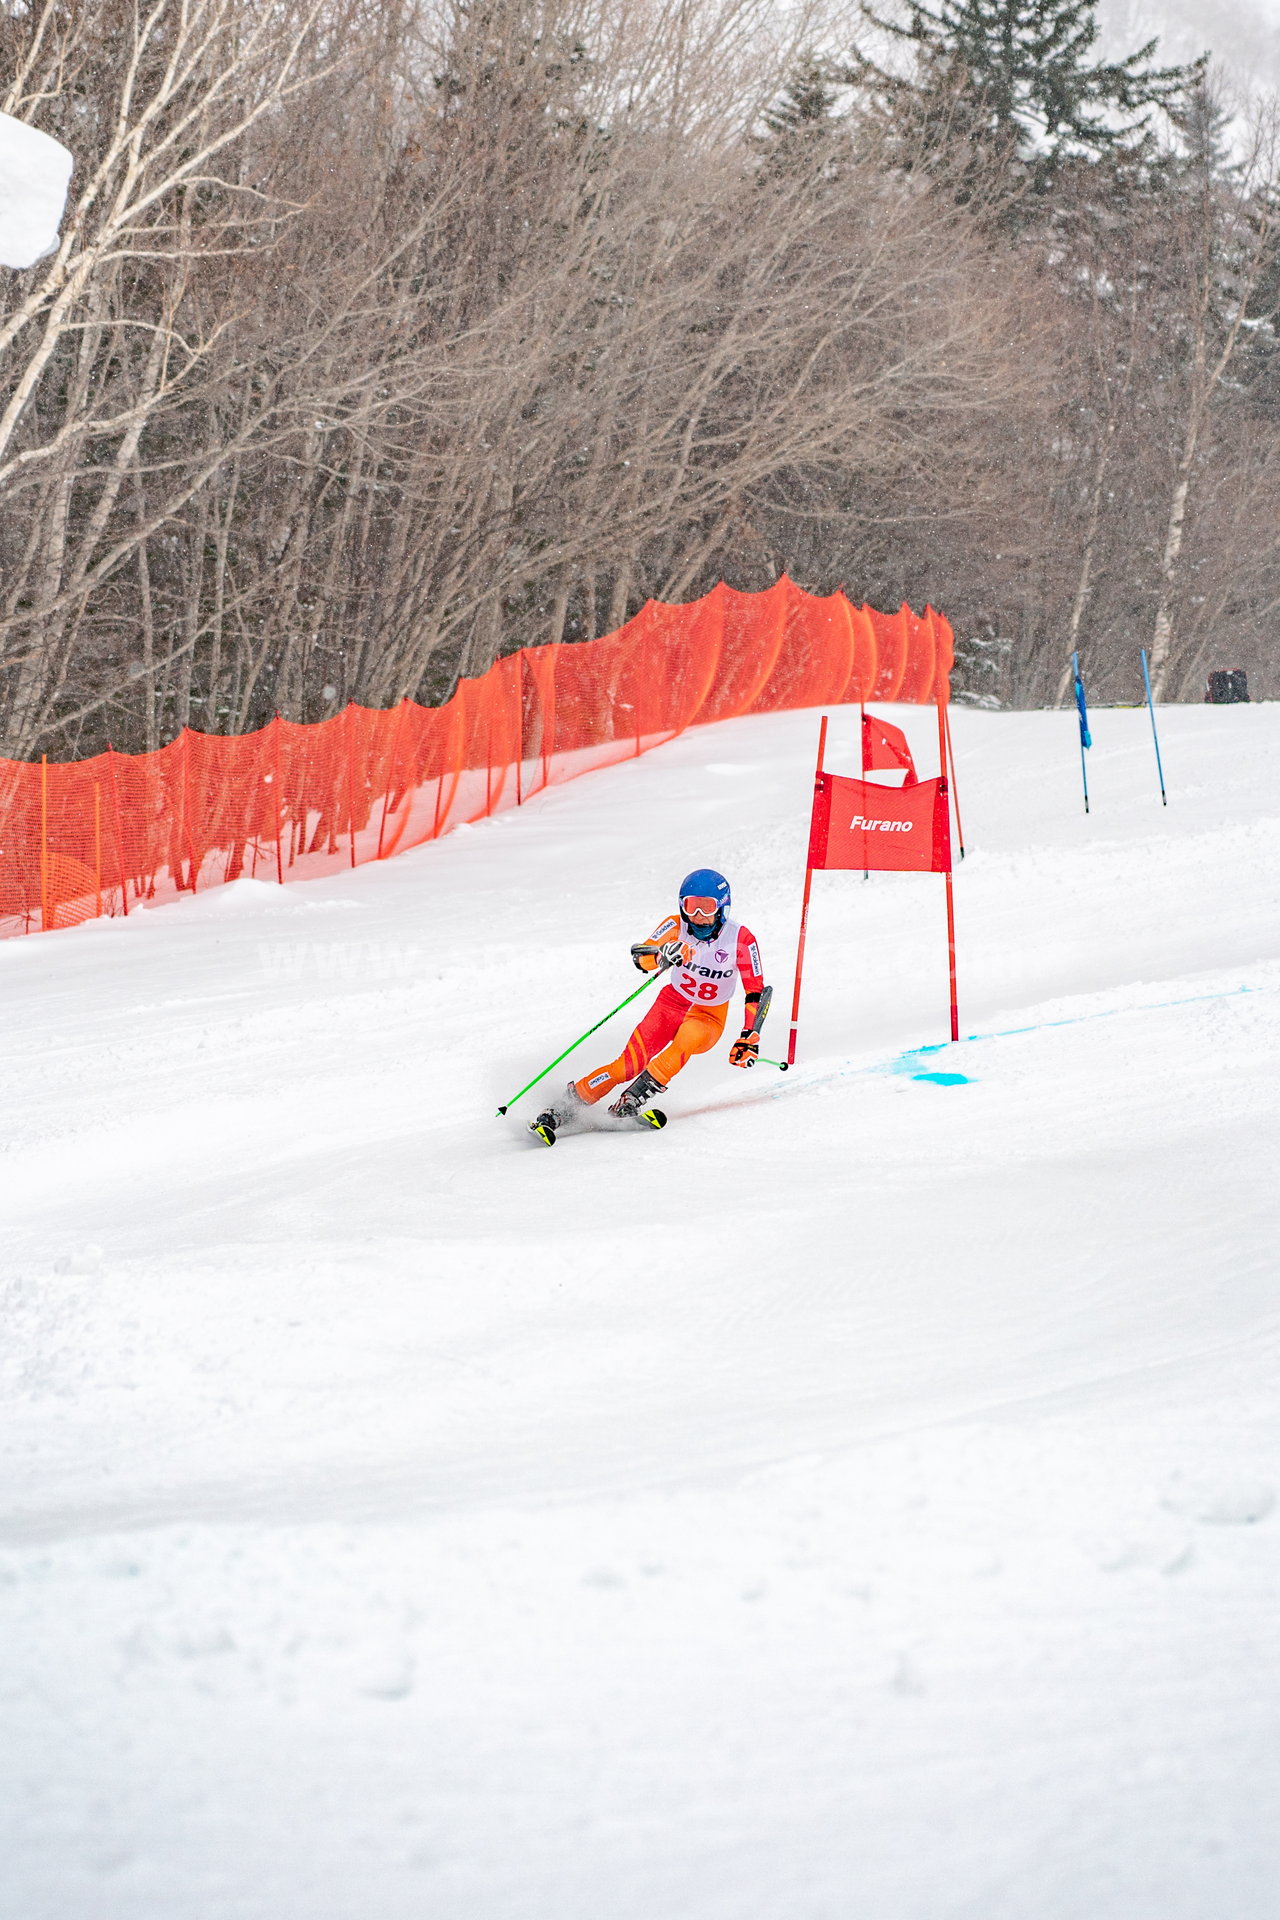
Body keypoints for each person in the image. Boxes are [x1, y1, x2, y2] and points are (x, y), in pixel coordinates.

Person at [530, 868, 768, 1142]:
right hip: (670, 1004)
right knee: (626, 1066)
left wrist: (749, 1036)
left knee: (688, 1039)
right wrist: (661, 955)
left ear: (723, 907)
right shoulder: (675, 925)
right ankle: (563, 1108)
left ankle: (631, 1099)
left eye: (706, 907)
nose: (698, 916)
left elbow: (755, 989)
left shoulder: (740, 938)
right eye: (691, 906)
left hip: (709, 1016)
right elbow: (640, 954)